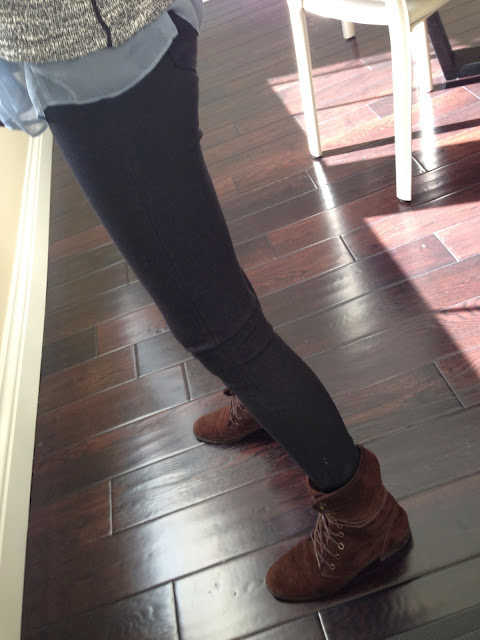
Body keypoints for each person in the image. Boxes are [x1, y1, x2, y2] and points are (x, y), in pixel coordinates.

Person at [0, 0, 411, 602]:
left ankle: (363, 518)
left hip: (101, 56)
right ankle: (257, 398)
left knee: (211, 322)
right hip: (110, 45)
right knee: (202, 274)